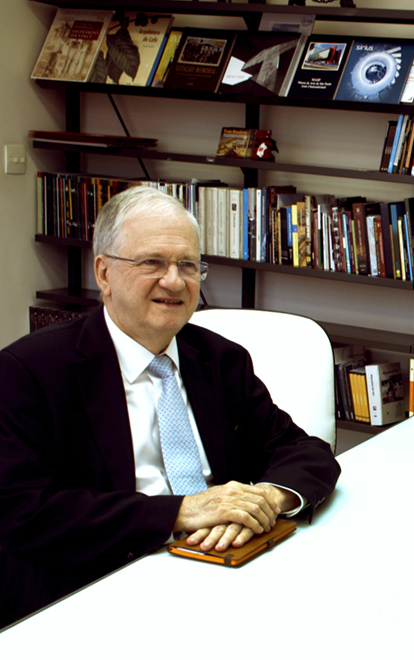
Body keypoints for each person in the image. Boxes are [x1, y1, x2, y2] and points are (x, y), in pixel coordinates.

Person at [0, 186, 341, 627]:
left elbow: (305, 451)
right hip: (97, 594)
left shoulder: (220, 359)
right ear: (103, 273)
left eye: (187, 265)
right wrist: (181, 511)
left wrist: (266, 499)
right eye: (152, 263)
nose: (175, 281)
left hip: (226, 576)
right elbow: (22, 512)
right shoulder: (29, 371)